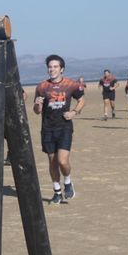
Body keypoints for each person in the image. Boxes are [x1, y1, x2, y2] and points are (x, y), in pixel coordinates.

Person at [33, 54, 86, 204]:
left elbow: (82, 100)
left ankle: (68, 182)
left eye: (55, 67)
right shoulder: (42, 86)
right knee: (52, 162)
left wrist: (74, 112)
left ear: (62, 69)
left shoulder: (71, 84)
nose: (52, 69)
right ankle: (57, 192)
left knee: (62, 161)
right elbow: (37, 111)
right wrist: (37, 104)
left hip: (64, 127)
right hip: (47, 128)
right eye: (50, 67)